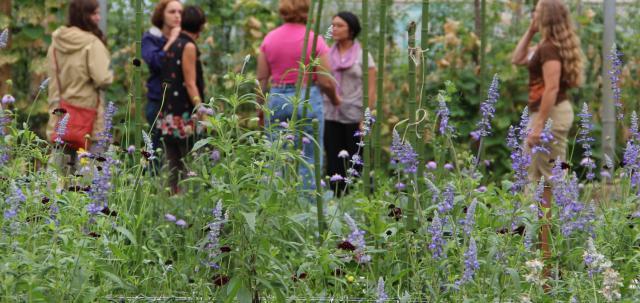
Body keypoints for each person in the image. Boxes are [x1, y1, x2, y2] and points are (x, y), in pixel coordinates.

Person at [511, 0, 583, 266]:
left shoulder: (550, 49)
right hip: (547, 115)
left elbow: (551, 89)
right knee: (540, 183)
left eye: (537, 11)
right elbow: (517, 58)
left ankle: (547, 261)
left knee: (546, 187)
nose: (534, 14)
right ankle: (544, 254)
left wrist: (539, 125)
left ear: (548, 15)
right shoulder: (545, 45)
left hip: (549, 116)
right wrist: (530, 30)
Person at [257, 0, 340, 191]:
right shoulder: (315, 39)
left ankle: (276, 203)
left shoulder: (269, 39)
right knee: (310, 158)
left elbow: (261, 79)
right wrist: (335, 99)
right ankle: (309, 206)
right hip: (307, 97)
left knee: (277, 156)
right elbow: (325, 80)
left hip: (277, 98)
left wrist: (259, 108)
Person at [46, 0, 113, 169]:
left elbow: (52, 77)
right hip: (88, 117)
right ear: (83, 16)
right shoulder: (92, 43)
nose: (98, 18)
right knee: (89, 178)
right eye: (94, 13)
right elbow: (103, 79)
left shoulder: (57, 41)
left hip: (60, 113)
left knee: (57, 175)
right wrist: (111, 74)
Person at [324, 12, 376, 195]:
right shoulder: (326, 53)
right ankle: (335, 201)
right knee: (333, 162)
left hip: (355, 116)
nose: (334, 29)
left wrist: (365, 117)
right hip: (330, 114)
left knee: (357, 161)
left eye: (339, 25)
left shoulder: (363, 55)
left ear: (351, 29)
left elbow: (371, 88)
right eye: (333, 25)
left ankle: (361, 200)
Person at [157, 5, 206, 194]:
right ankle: (187, 207)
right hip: (184, 118)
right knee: (190, 168)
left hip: (169, 115)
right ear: (200, 26)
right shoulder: (188, 46)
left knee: (172, 168)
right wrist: (202, 111)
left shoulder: (174, 42)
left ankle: (169, 206)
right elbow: (190, 82)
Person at [142, 0, 183, 170]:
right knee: (155, 151)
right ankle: (150, 190)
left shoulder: (183, 38)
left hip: (179, 103)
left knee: (178, 154)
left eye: (180, 12)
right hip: (158, 101)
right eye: (172, 12)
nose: (177, 16)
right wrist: (172, 40)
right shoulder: (150, 38)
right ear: (161, 15)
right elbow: (156, 62)